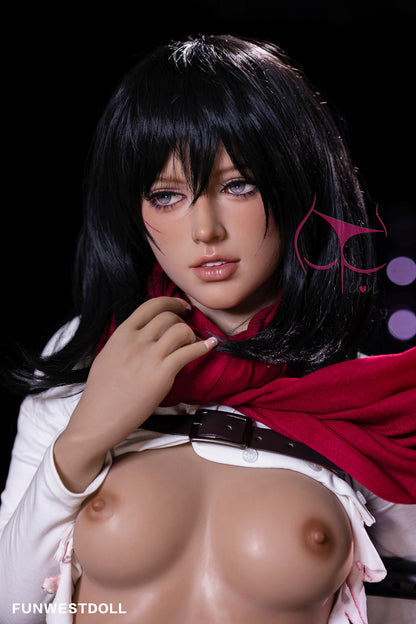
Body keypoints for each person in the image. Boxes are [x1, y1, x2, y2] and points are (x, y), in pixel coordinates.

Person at [1, 35, 415, 623]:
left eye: (237, 185)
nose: (204, 230)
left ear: (298, 185)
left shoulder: (364, 397)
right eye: (166, 195)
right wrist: (82, 440)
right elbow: (11, 609)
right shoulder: (88, 356)